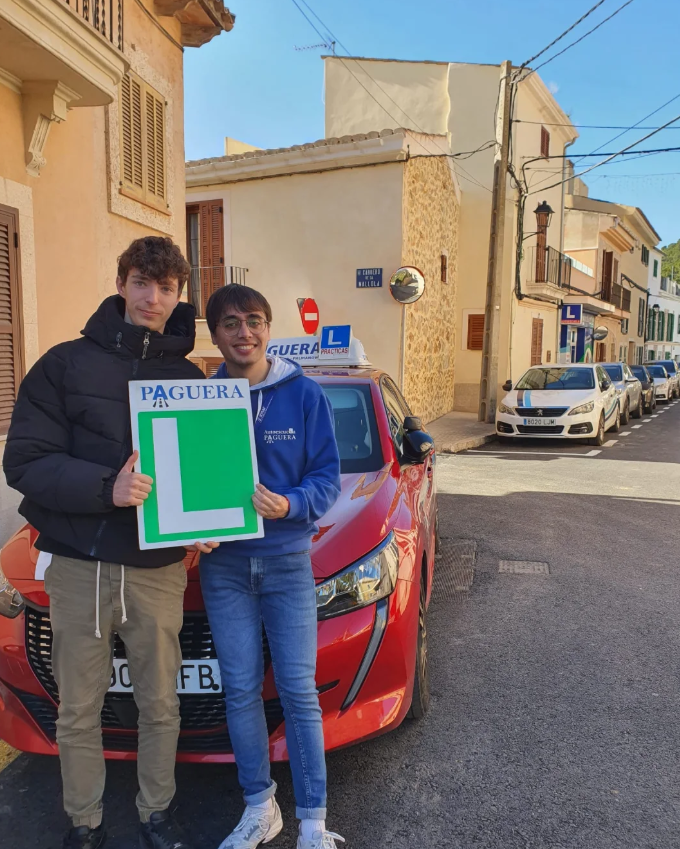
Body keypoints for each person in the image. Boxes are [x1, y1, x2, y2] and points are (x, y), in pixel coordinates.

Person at [3, 237, 215, 849]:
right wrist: (107, 487)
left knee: (160, 704)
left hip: (157, 570)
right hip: (80, 565)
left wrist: (210, 518)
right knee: (79, 708)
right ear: (121, 283)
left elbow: (199, 475)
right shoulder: (63, 364)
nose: (153, 298)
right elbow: (26, 462)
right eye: (142, 283)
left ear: (180, 295)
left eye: (167, 287)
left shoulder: (189, 378)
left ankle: (157, 811)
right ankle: (85, 822)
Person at [199, 285, 344, 849]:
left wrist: (291, 504)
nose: (244, 333)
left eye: (254, 321)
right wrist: (190, 527)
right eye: (230, 323)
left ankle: (313, 821)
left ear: (269, 327)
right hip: (225, 567)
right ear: (215, 335)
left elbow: (327, 478)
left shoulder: (304, 396)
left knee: (297, 691)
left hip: (286, 563)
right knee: (238, 691)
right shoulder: (198, 400)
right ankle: (261, 808)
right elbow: (187, 479)